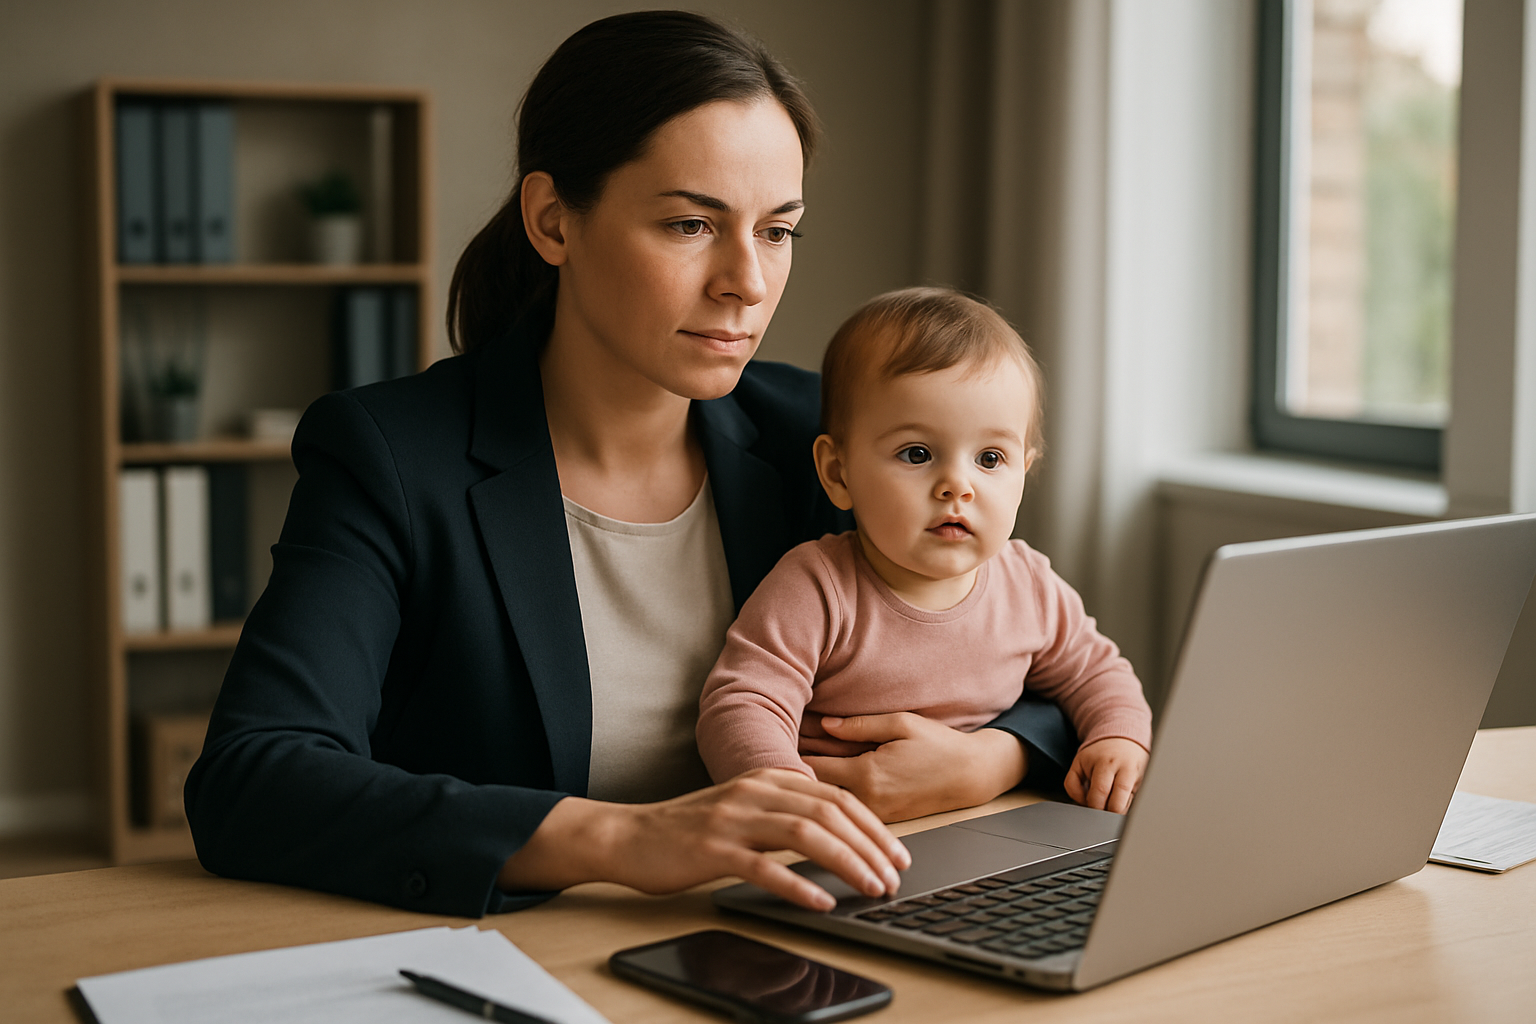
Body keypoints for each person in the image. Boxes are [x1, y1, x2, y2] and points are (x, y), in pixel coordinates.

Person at [185, 11, 1079, 920]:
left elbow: (1035, 641)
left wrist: (991, 757)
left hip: (801, 930)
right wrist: (624, 838)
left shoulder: (818, 436)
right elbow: (254, 780)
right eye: (692, 225)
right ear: (552, 221)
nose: (748, 281)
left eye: (778, 231)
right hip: (530, 955)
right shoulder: (390, 454)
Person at [697, 288, 1152, 813]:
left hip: (990, 828)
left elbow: (1097, 673)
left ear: (1024, 471)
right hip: (843, 829)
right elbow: (742, 704)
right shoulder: (817, 586)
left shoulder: (1027, 583)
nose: (957, 485)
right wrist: (789, 797)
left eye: (990, 458)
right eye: (918, 454)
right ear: (837, 473)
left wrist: (1117, 737)